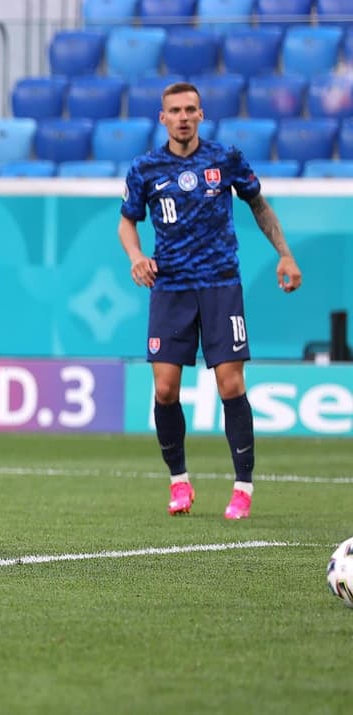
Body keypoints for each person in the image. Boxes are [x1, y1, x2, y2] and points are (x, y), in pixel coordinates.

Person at [119, 81, 303, 521]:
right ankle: (179, 481)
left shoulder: (226, 159)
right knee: (165, 388)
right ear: (162, 118)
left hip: (221, 284)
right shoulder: (145, 168)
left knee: (231, 385)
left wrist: (285, 254)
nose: (183, 117)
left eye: (190, 110)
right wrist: (136, 256)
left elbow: (259, 205)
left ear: (201, 115)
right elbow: (127, 222)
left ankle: (242, 488)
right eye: (175, 111)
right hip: (170, 288)